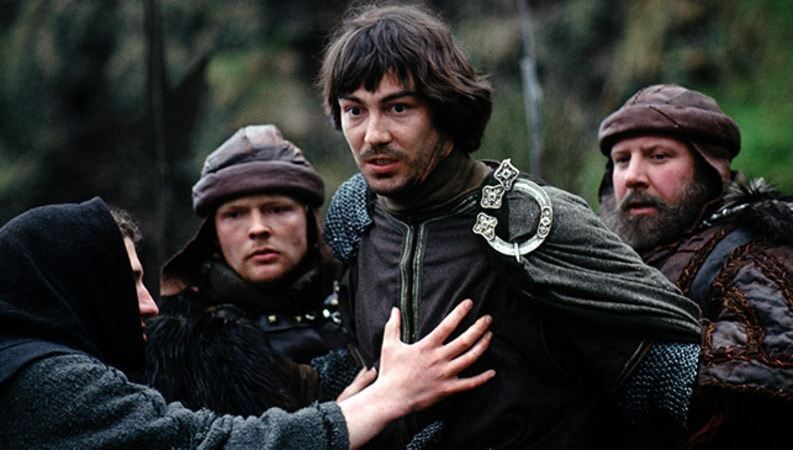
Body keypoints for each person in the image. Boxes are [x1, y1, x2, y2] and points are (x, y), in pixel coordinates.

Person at [318, 5, 704, 449]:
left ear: (446, 111)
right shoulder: (355, 216)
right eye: (354, 111)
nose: (373, 135)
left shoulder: (529, 221)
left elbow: (675, 368)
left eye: (398, 108)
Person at [0, 197, 495, 449]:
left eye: (278, 208)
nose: (149, 304)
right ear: (76, 284)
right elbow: (208, 444)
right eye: (126, 282)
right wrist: (385, 399)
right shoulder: (49, 384)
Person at [597, 84, 793, 449]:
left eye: (658, 156)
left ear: (708, 169)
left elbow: (769, 368)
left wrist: (630, 364)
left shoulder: (755, 254)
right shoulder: (605, 262)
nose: (633, 175)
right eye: (622, 160)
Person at [143, 124, 357, 415]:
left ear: (308, 218)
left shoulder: (361, 301)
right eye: (235, 214)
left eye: (277, 209)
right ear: (213, 233)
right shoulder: (180, 342)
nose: (258, 229)